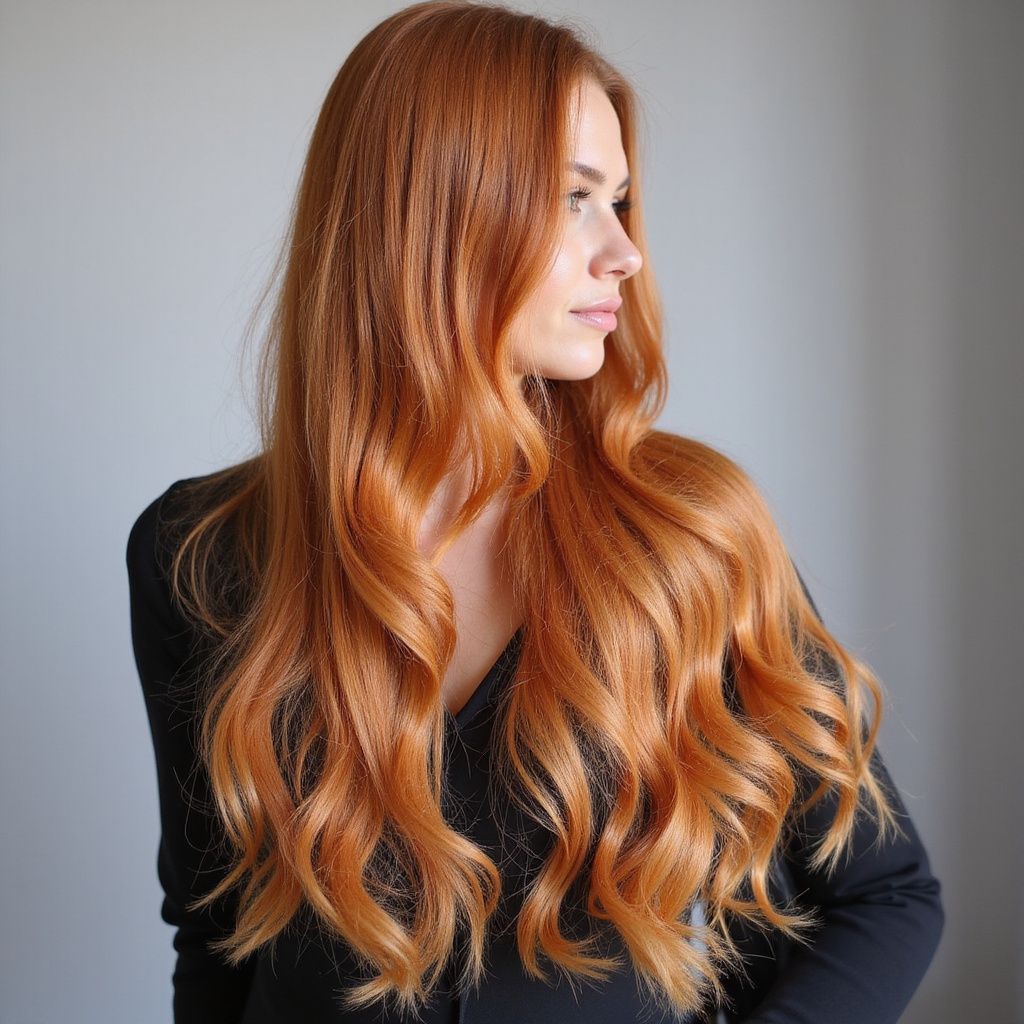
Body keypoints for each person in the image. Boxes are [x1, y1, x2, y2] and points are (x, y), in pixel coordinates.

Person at [125, 2, 944, 1022]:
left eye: (624, 200)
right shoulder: (197, 555)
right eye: (574, 199)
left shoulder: (688, 532)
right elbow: (214, 932)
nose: (625, 253)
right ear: (432, 214)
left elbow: (883, 895)